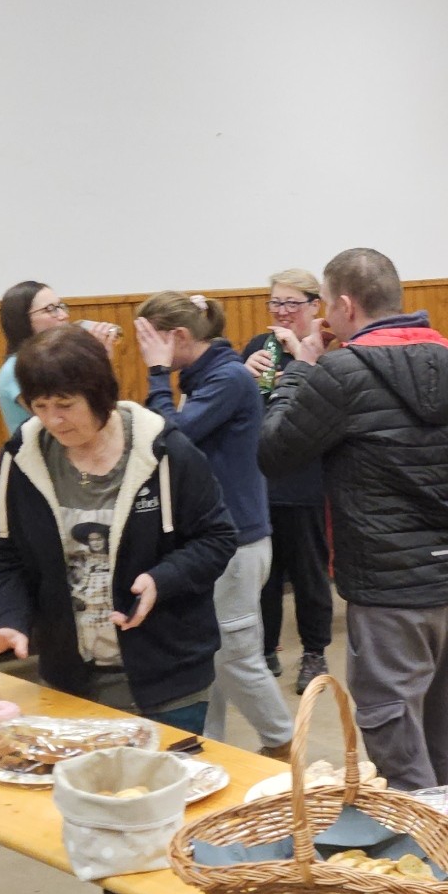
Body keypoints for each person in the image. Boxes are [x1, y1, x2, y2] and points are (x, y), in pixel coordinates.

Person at [0, 327, 249, 894]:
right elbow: (7, 555)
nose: (53, 420)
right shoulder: (23, 455)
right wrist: (11, 622)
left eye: (64, 405)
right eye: (39, 406)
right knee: (103, 799)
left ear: (99, 393)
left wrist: (161, 579)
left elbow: (216, 536)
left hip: (167, 659)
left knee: (188, 802)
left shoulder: (165, 450)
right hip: (77, 667)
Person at [258, 248, 448, 792]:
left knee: (391, 730)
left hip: (386, 587)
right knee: (441, 726)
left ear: (346, 306)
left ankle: (427, 830)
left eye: (328, 305)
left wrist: (300, 368)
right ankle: (443, 828)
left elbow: (273, 452)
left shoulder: (340, 372)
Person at [136, 290, 294, 760]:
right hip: (217, 541)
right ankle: (207, 750)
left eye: (153, 342)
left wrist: (157, 374)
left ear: (180, 336)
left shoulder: (227, 378)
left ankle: (286, 745)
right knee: (209, 657)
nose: (147, 353)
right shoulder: (206, 376)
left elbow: (169, 439)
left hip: (238, 543)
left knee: (235, 656)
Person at [240, 269, 335, 692]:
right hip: (262, 480)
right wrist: (243, 375)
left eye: (291, 304)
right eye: (275, 303)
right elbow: (244, 413)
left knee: (310, 574)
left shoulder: (328, 350)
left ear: (314, 306)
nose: (281, 312)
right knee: (266, 575)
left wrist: (301, 361)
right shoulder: (258, 347)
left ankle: (314, 652)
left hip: (306, 479)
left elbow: (330, 410)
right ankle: (265, 649)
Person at [0, 281, 119, 433]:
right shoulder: (14, 369)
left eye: (61, 306)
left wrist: (98, 360)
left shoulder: (59, 360)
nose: (64, 315)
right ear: (22, 320)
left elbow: (100, 408)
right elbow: (62, 421)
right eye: (50, 309)